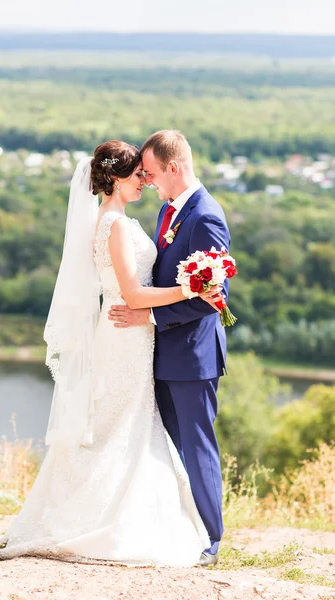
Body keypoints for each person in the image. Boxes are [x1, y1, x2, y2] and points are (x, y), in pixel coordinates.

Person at [0, 140, 223, 567]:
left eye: (147, 173)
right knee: (119, 425)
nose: (145, 180)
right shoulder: (116, 226)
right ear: (116, 180)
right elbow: (134, 293)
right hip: (125, 335)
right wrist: (192, 288)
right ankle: (105, 517)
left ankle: (123, 511)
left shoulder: (116, 219)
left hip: (132, 333)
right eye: (138, 174)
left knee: (124, 425)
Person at [109, 131, 231, 566]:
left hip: (192, 358)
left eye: (153, 173)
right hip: (159, 356)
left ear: (175, 168)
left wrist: (150, 317)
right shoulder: (168, 211)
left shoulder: (206, 217)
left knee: (196, 447)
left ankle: (211, 541)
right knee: (168, 447)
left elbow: (213, 296)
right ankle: (179, 528)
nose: (148, 180)